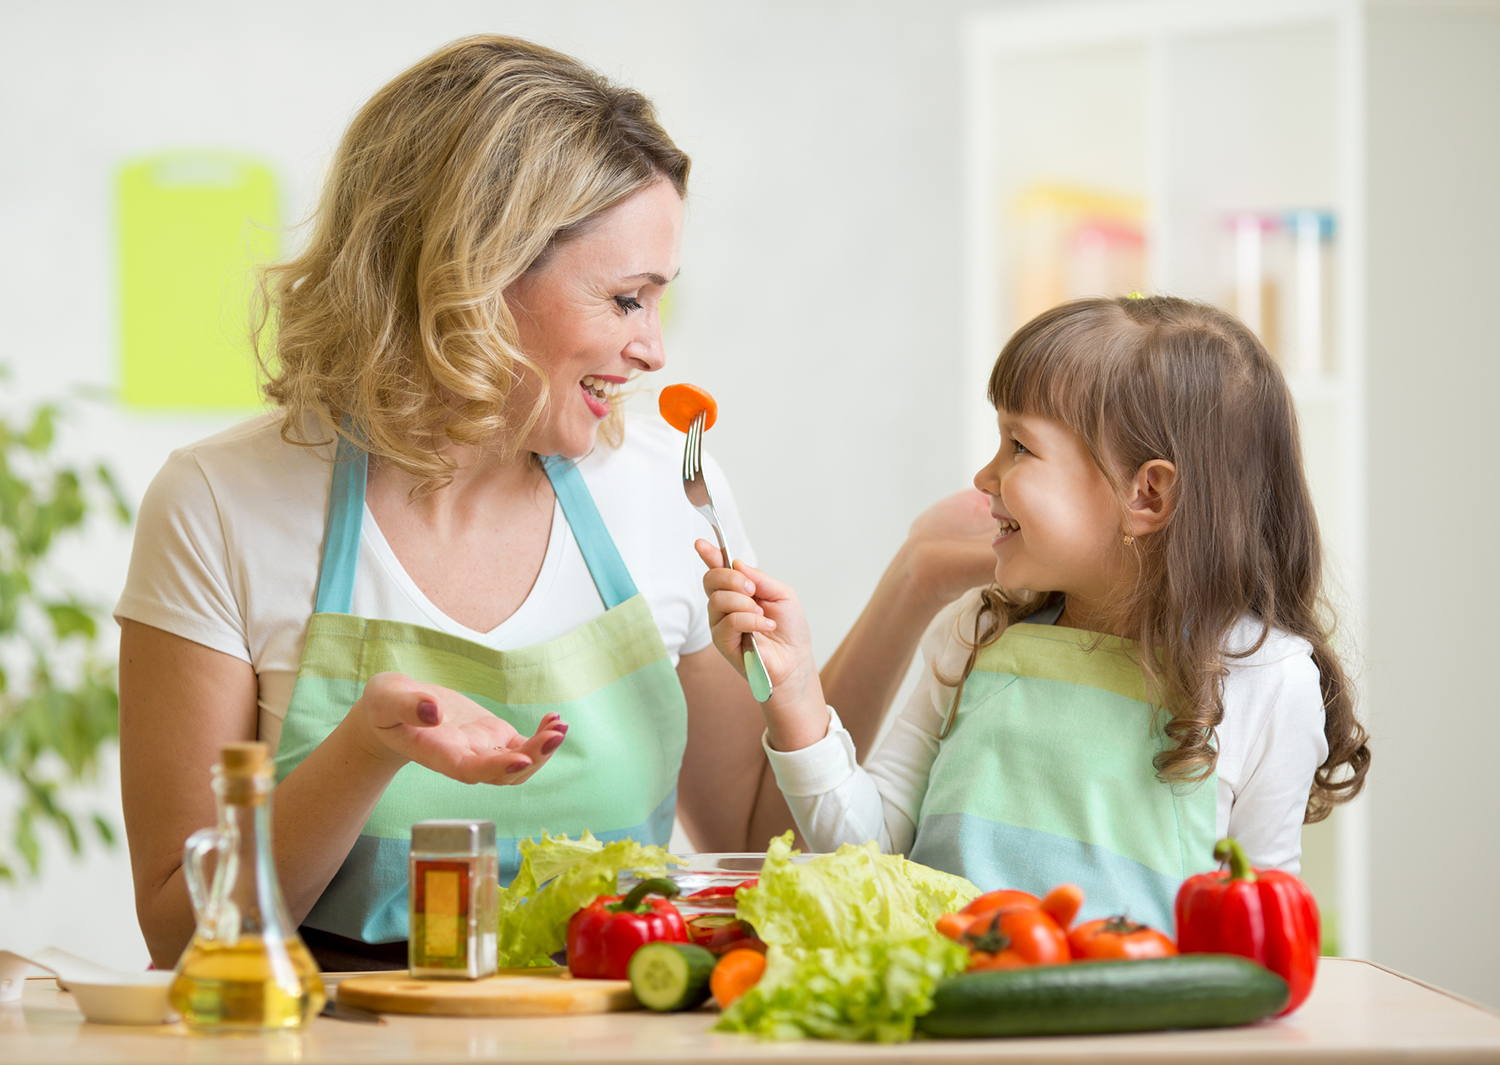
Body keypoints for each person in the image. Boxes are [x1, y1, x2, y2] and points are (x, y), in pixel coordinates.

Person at [116, 35, 996, 972]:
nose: (654, 349)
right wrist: (368, 748)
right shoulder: (220, 504)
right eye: (625, 301)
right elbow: (180, 927)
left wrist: (915, 577)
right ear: (475, 277)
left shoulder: (664, 489)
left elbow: (753, 833)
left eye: (659, 303)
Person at [698, 295, 1372, 932]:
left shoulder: (1270, 678)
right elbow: (869, 846)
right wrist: (795, 698)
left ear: (1148, 493)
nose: (985, 477)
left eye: (1018, 447)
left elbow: (1260, 925)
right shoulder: (979, 632)